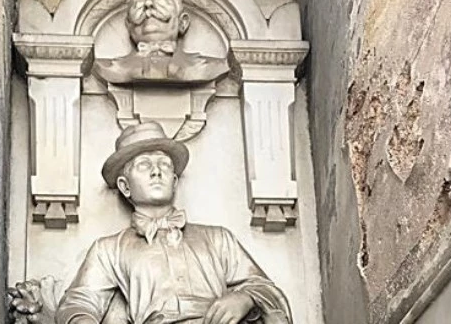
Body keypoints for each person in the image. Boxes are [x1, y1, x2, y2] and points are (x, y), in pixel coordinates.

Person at [53, 122, 292, 324]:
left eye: (164, 165)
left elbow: (267, 290)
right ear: (125, 186)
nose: (156, 172)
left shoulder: (219, 238)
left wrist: (244, 299)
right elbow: (78, 303)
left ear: (175, 181)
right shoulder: (108, 249)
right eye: (144, 165)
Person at [94, 0, 229, 83]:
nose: (148, 4)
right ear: (128, 25)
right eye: (139, 1)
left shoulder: (207, 67)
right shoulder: (110, 68)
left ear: (183, 22)